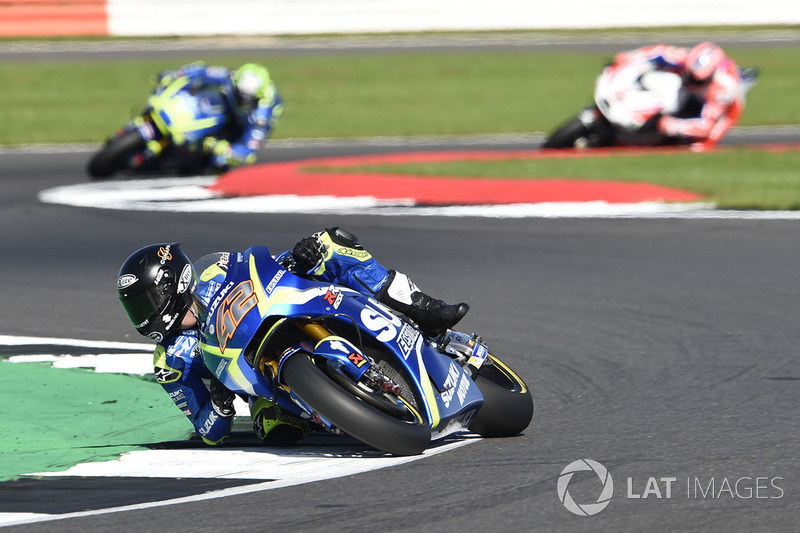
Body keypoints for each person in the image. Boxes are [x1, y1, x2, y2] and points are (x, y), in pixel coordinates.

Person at [116, 228, 469, 447]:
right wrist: (220, 401)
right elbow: (209, 429)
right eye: (136, 307)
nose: (144, 315)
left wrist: (297, 257)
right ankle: (338, 410)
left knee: (332, 243)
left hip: (277, 312)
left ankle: (424, 310)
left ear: (172, 285)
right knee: (273, 429)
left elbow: (257, 268)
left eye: (147, 301)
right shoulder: (170, 363)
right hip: (258, 381)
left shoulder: (213, 271)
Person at [146, 61, 283, 171]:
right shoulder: (231, 77)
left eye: (247, 99)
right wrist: (176, 74)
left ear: (257, 98)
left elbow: (248, 153)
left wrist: (224, 149)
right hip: (225, 107)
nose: (242, 101)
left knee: (218, 163)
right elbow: (202, 70)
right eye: (239, 95)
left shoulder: (261, 117)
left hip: (241, 124)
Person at [611, 41, 747, 151]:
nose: (690, 81)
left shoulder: (723, 89)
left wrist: (676, 126)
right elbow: (660, 52)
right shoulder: (688, 58)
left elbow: (707, 126)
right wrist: (631, 56)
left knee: (700, 145)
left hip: (725, 111)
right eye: (689, 74)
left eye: (696, 80)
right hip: (692, 89)